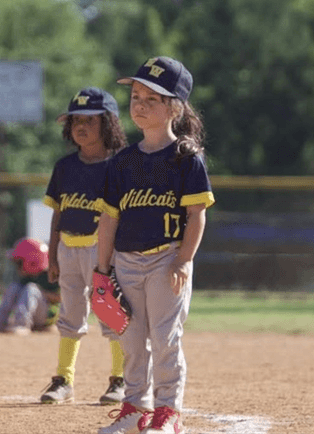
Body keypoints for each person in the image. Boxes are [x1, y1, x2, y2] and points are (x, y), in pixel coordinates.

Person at [95, 57, 215, 434]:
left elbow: (197, 215)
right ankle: (134, 410)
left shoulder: (186, 158)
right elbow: (110, 218)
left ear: (174, 107)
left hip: (167, 260)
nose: (140, 104)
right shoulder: (122, 162)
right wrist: (101, 270)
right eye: (135, 96)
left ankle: (167, 413)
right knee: (130, 341)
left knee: (165, 339)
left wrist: (183, 261)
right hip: (127, 263)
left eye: (152, 97)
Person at [37, 87, 129, 406]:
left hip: (102, 250)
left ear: (108, 124)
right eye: (75, 119)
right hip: (68, 248)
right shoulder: (65, 167)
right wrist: (52, 254)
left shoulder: (119, 165)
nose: (80, 126)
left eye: (90, 120)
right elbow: (57, 214)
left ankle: (120, 379)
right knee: (70, 315)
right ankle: (64, 379)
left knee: (111, 315)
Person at [0, 238, 61, 335]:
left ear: (33, 261)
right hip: (35, 315)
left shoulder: (51, 276)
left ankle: (22, 325)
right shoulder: (26, 276)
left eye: (19, 263)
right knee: (14, 287)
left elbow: (63, 298)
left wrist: (43, 294)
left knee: (31, 289)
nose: (17, 267)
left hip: (46, 319)